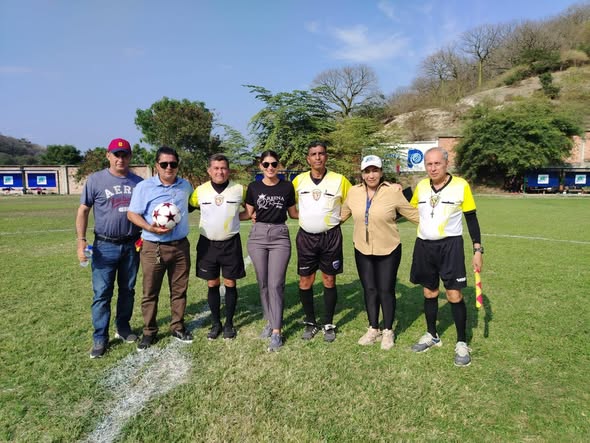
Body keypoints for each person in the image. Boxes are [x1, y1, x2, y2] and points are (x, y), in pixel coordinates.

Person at [409, 147, 483, 367]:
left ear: (446, 164)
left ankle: (461, 342)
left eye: (437, 163)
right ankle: (432, 335)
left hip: (451, 246)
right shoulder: (421, 186)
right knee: (429, 292)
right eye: (429, 164)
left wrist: (477, 250)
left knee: (453, 294)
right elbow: (407, 210)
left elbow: (471, 218)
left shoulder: (461, 185)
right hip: (424, 246)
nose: (433, 168)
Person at [340, 155, 419, 350]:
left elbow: (413, 214)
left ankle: (388, 331)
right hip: (362, 248)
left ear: (381, 172)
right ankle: (373, 328)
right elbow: (340, 216)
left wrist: (441, 221)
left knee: (386, 290)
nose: (371, 175)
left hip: (389, 248)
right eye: (367, 171)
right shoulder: (354, 192)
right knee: (369, 289)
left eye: (375, 170)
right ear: (362, 174)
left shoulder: (392, 192)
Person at [76, 138, 143, 359]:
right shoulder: (96, 180)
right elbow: (83, 210)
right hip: (104, 245)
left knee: (128, 290)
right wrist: (81, 240)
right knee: (102, 293)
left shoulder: (138, 182)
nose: (120, 159)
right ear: (108, 156)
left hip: (131, 244)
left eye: (124, 155)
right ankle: (100, 337)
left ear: (130, 157)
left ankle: (122, 327)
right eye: (116, 154)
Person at [127, 146, 194, 351]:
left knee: (179, 290)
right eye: (164, 164)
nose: (168, 167)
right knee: (150, 291)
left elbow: (193, 206)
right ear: (156, 165)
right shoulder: (144, 187)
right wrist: (150, 227)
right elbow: (132, 214)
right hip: (152, 247)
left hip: (180, 246)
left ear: (178, 165)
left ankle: (177, 326)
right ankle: (149, 331)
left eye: (173, 164)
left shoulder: (186, 186)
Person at [291, 141, 352, 342]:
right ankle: (310, 322)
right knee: (305, 281)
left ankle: (328, 323)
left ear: (326, 156)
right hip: (306, 237)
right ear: (308, 159)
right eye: (313, 154)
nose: (317, 157)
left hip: (330, 237)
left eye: (321, 153)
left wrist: (340, 219)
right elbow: (288, 203)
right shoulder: (298, 181)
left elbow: (354, 200)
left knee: (329, 279)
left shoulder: (339, 180)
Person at [189, 153, 249, 341]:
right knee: (212, 283)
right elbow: (187, 208)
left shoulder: (239, 189)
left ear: (228, 170)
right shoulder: (199, 191)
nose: (220, 172)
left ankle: (229, 323)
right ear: (209, 170)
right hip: (208, 244)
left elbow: (250, 210)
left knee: (230, 282)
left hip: (231, 243)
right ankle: (216, 323)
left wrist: (236, 218)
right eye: (216, 168)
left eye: (223, 168)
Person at [245, 150, 298, 351]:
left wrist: (318, 214)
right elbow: (248, 213)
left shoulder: (287, 186)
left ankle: (277, 331)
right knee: (263, 283)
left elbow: (293, 213)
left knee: (276, 284)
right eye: (266, 164)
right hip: (257, 236)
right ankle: (270, 321)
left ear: (278, 165)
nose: (270, 167)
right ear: (260, 166)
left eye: (274, 164)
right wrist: (220, 213)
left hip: (279, 236)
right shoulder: (254, 187)